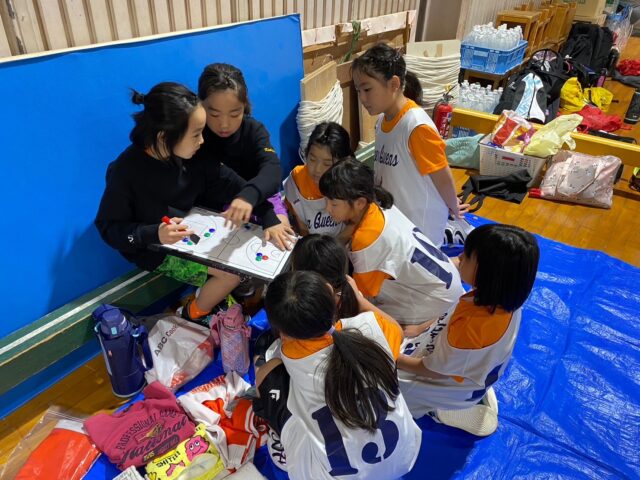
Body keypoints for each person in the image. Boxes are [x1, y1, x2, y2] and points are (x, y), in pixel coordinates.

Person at [95, 82, 283, 323]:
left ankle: (217, 298)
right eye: (196, 134)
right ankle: (190, 314)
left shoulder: (194, 156)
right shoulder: (126, 172)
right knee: (231, 274)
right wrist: (153, 234)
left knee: (244, 255)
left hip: (190, 229)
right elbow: (109, 228)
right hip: (154, 248)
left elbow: (229, 182)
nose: (202, 141)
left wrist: (267, 214)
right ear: (164, 137)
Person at [252, 271, 421, 480]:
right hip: (404, 456)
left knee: (266, 371)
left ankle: (282, 442)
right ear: (333, 297)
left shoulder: (292, 355)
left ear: (282, 333)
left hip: (322, 475)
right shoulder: (372, 325)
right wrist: (360, 301)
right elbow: (397, 332)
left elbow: (270, 372)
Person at [397, 224, 540, 436]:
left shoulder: (473, 326)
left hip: (446, 381)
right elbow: (448, 317)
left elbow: (432, 370)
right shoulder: (502, 299)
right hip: (466, 371)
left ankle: (439, 407)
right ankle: (464, 393)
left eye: (468, 256)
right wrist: (420, 328)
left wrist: (394, 358)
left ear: (488, 272)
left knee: (382, 390)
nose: (460, 257)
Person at [319, 158, 465, 332]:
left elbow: (360, 299)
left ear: (359, 203)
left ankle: (421, 328)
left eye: (333, 204)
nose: (327, 209)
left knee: (365, 324)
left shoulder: (366, 242)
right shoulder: (377, 205)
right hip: (447, 284)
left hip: (438, 305)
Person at [352, 43, 469, 247]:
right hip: (396, 222)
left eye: (367, 89)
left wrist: (453, 206)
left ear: (394, 84)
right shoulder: (382, 121)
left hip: (420, 230)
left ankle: (456, 232)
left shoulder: (416, 126)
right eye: (358, 91)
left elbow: (442, 175)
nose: (362, 98)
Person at [196, 63, 295, 250]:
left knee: (282, 243)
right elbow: (219, 178)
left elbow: (272, 168)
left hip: (259, 194)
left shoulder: (253, 130)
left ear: (245, 106)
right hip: (219, 203)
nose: (224, 124)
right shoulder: (197, 136)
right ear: (200, 105)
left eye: (235, 114)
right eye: (214, 114)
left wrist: (249, 197)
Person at [283, 122, 353, 238]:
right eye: (312, 159)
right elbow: (302, 227)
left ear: (343, 162)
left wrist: (339, 244)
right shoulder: (296, 180)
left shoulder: (351, 182)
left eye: (327, 164)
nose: (317, 169)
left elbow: (355, 223)